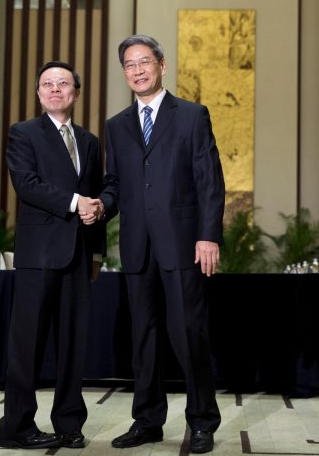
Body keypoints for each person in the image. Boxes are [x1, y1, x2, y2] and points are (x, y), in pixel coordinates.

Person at [99, 34, 224, 454]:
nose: (137, 70)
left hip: (183, 244)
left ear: (162, 65)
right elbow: (115, 183)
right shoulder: (116, 127)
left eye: (144, 62)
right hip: (137, 248)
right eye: (129, 65)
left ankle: (202, 421)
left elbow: (209, 182)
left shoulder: (191, 115)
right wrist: (101, 206)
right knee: (144, 339)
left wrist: (208, 235)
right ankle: (147, 421)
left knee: (189, 333)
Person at [0, 61, 107, 449]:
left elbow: (96, 193)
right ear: (38, 93)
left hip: (79, 256)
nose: (55, 89)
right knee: (26, 346)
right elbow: (27, 186)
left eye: (63, 83)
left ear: (75, 91)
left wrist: (96, 254)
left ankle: (69, 422)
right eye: (47, 84)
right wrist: (76, 202)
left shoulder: (90, 141)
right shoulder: (23, 133)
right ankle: (16, 427)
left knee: (73, 345)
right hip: (38, 254)